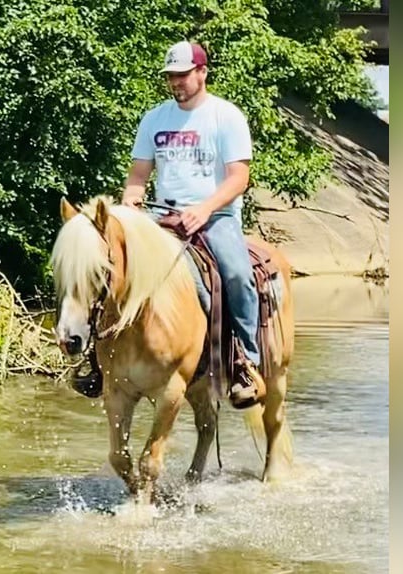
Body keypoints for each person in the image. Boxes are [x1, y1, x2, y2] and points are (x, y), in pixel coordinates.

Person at [121, 40, 264, 409]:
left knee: (236, 273)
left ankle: (247, 362)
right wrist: (129, 204)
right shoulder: (154, 118)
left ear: (202, 72)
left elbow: (238, 179)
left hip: (215, 216)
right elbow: (139, 175)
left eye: (182, 75)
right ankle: (97, 360)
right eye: (171, 76)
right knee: (114, 265)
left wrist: (203, 209)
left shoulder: (226, 116)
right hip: (161, 216)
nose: (176, 83)